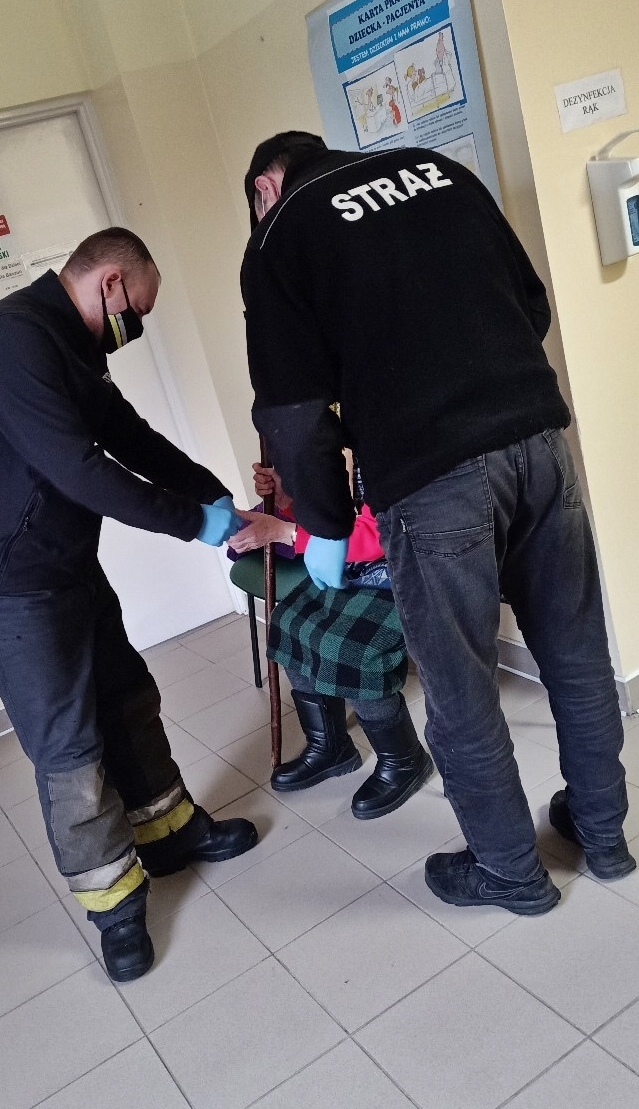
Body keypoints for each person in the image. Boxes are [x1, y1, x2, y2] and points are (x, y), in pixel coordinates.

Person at [240, 131, 635, 916]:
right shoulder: (435, 169)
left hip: (429, 478)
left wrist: (326, 524)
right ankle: (604, 835)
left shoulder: (280, 235)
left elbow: (292, 416)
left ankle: (511, 873)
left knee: (460, 688)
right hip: (537, 438)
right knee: (576, 653)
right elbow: (531, 304)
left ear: (264, 190)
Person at [0, 227, 257, 983]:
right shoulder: (8, 341)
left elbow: (129, 438)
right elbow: (82, 471)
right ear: (111, 283)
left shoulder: (69, 344)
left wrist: (216, 496)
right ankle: (115, 905)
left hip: (67, 564)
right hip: (12, 584)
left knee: (126, 699)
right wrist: (199, 525)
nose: (135, 324)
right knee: (70, 750)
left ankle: (169, 833)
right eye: (137, 309)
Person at [228, 461, 432, 817]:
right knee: (289, 622)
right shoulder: (362, 453)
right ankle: (330, 747)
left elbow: (380, 533)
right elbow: (345, 521)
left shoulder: (401, 452)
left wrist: (287, 533)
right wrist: (288, 502)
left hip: (410, 570)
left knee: (351, 649)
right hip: (362, 568)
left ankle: (404, 761)